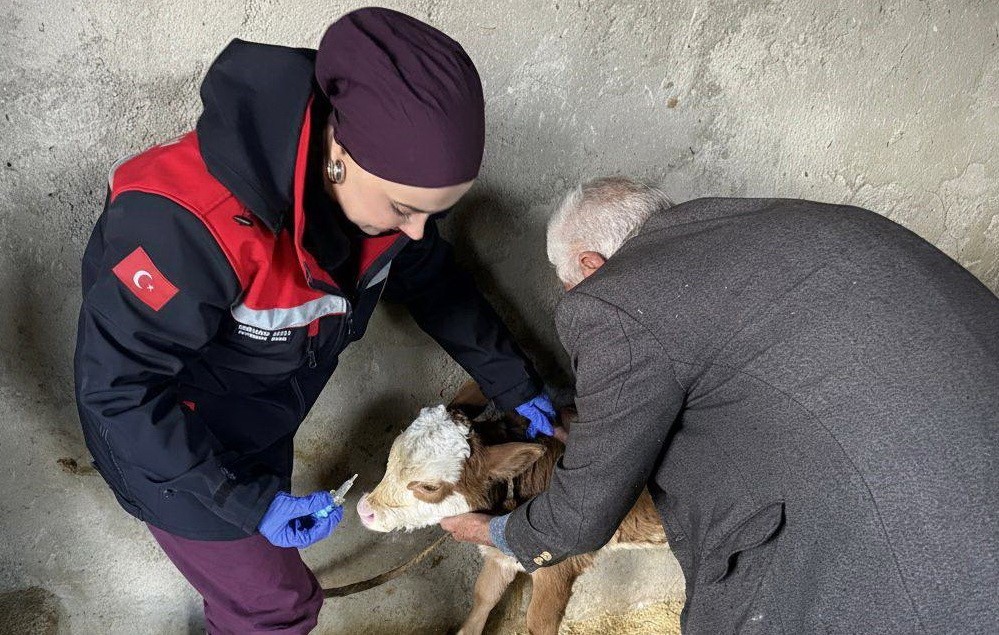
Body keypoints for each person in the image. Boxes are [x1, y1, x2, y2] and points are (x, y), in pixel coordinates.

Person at [74, 8, 556, 633]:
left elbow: (432, 278)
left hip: (261, 416)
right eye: (404, 209)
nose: (416, 232)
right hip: (167, 447)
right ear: (339, 152)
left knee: (248, 602)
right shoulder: (185, 225)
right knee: (278, 605)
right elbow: (119, 391)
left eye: (433, 214)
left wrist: (512, 381)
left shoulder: (380, 205)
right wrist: (242, 500)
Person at [442, 177, 999, 633]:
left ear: (591, 265)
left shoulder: (612, 300)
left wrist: (497, 534)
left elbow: (582, 515)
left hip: (906, 545)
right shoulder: (794, 219)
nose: (578, 298)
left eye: (571, 285)